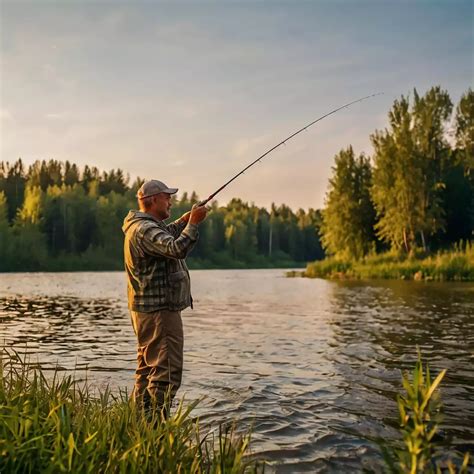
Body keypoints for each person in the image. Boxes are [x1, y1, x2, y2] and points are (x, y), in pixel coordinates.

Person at [122, 179, 208, 417]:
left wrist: (185, 219)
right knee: (166, 372)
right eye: (167, 196)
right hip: (159, 313)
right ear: (152, 200)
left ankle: (138, 423)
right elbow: (175, 248)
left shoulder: (143, 226)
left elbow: (166, 235)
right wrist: (193, 224)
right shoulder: (144, 229)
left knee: (147, 370)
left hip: (148, 312)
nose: (171, 200)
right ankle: (155, 429)